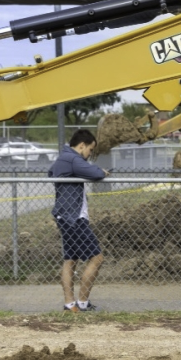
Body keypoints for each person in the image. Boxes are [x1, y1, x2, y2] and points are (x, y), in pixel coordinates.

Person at [48, 129, 109, 313]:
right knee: (97, 258)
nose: (90, 154)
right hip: (73, 219)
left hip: (66, 217)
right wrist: (102, 172)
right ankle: (82, 302)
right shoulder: (72, 158)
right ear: (82, 145)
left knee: (70, 259)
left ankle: (70, 304)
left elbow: (51, 172)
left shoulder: (64, 158)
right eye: (90, 150)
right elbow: (95, 172)